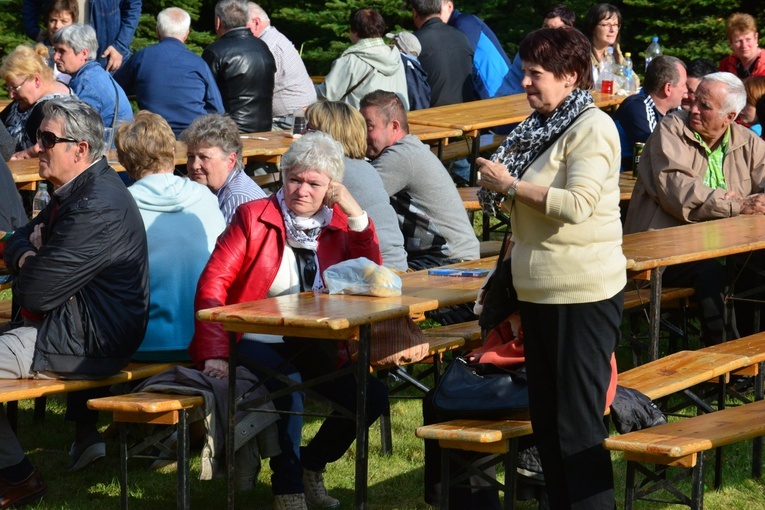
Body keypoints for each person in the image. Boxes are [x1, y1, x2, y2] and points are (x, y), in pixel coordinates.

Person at [189, 131, 388, 510]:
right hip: (251, 338)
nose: (301, 190)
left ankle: (312, 465)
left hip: (313, 339)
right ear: (283, 176)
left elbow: (369, 272)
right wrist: (214, 352)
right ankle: (287, 488)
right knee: (288, 385)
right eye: (294, 179)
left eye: (314, 183)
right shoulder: (253, 217)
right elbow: (213, 284)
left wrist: (355, 211)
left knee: (371, 396)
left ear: (331, 188)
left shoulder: (338, 223)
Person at [476, 28, 626, 508]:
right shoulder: (543, 124)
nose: (524, 82)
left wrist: (511, 185)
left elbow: (577, 204)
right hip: (538, 291)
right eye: (524, 72)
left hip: (581, 294)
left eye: (534, 74)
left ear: (570, 75)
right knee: (546, 421)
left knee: (576, 425)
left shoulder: (591, 127)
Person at [0, 98, 149, 506]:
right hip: (67, 326)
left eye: (48, 139)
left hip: (86, 341)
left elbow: (32, 292)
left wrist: (31, 258)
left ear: (79, 149)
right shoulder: (77, 191)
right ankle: (15, 473)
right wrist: (30, 254)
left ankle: (17, 477)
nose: (36, 146)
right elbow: (14, 237)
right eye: (36, 137)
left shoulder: (95, 205)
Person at [625, 72, 765, 345]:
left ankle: (752, 354)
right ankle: (725, 361)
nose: (694, 109)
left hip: (727, 247)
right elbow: (677, 191)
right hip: (662, 250)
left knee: (757, 266)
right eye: (695, 100)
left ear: (730, 117)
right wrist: (737, 205)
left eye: (705, 106)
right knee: (713, 271)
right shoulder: (671, 128)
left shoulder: (746, 141)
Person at [115, 111, 226, 362]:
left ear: (125, 162)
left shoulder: (120, 207)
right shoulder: (206, 197)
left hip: (141, 341)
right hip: (205, 335)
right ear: (173, 152)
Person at [359, 90, 479, 269]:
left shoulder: (401, 156)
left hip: (448, 261)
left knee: (365, 282)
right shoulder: (408, 149)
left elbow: (356, 197)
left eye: (368, 127)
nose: (362, 135)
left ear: (394, 126)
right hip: (440, 255)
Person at [305, 100, 408, 271]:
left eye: (310, 129)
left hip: (376, 272)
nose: (302, 133)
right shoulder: (365, 167)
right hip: (397, 265)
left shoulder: (333, 173)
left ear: (327, 136)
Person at [114, 7, 225, 137]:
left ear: (157, 32)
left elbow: (116, 88)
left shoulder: (142, 57)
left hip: (154, 138)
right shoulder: (198, 63)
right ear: (186, 34)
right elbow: (218, 109)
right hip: (192, 139)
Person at [51, 24, 133, 147]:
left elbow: (74, 132)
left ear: (84, 53)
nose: (55, 57)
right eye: (55, 50)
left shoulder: (87, 83)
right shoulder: (95, 74)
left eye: (62, 51)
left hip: (111, 157)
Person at [203, 0, 275, 133]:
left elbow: (205, 94)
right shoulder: (263, 47)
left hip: (230, 131)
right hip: (265, 128)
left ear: (218, 22)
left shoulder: (215, 51)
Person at [180, 113, 267, 223]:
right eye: (191, 157)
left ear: (230, 160)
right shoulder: (216, 189)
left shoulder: (236, 201)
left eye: (204, 157)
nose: (194, 165)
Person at [316, 8, 408, 110]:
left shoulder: (350, 60)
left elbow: (326, 95)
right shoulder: (395, 56)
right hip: (392, 122)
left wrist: (308, 88)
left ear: (354, 30)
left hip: (359, 123)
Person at [246, 2, 317, 131]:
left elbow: (252, 93)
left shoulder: (266, 47)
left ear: (256, 23)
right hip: (298, 117)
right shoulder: (275, 38)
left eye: (241, 26)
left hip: (288, 123)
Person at [23, 0, 141, 72]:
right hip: (60, 54)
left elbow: (133, 5)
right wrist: (33, 29)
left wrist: (120, 45)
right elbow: (30, 3)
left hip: (104, 57)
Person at [0, 44, 72, 159]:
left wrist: (22, 156)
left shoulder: (50, 109)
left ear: (37, 80)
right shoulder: (26, 100)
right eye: (8, 88)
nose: (11, 94)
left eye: (15, 88)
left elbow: (55, 152)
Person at [615, 55, 687, 170]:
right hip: (624, 179)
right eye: (683, 85)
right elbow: (657, 151)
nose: (686, 91)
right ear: (668, 88)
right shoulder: (637, 107)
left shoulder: (674, 109)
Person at [439, 0, 520, 99]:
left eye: (437, 10)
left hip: (498, 92)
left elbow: (461, 60)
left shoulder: (465, 22)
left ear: (449, 6)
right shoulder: (457, 26)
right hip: (492, 92)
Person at [411, 0, 473, 107]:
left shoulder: (413, 42)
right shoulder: (461, 36)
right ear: (440, 10)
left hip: (433, 116)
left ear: (415, 13)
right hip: (467, 110)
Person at [583, 3, 624, 83]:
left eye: (615, 25)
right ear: (593, 28)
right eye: (606, 24)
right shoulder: (582, 53)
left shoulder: (615, 51)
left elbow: (633, 79)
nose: (612, 30)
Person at [41, 0, 78, 84]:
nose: (57, 26)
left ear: (73, 24)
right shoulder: (36, 53)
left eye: (64, 21)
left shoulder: (80, 55)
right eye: (53, 20)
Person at [719, 13, 765, 79]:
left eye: (748, 39)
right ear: (731, 42)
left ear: (756, 38)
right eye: (739, 41)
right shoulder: (725, 65)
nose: (744, 45)